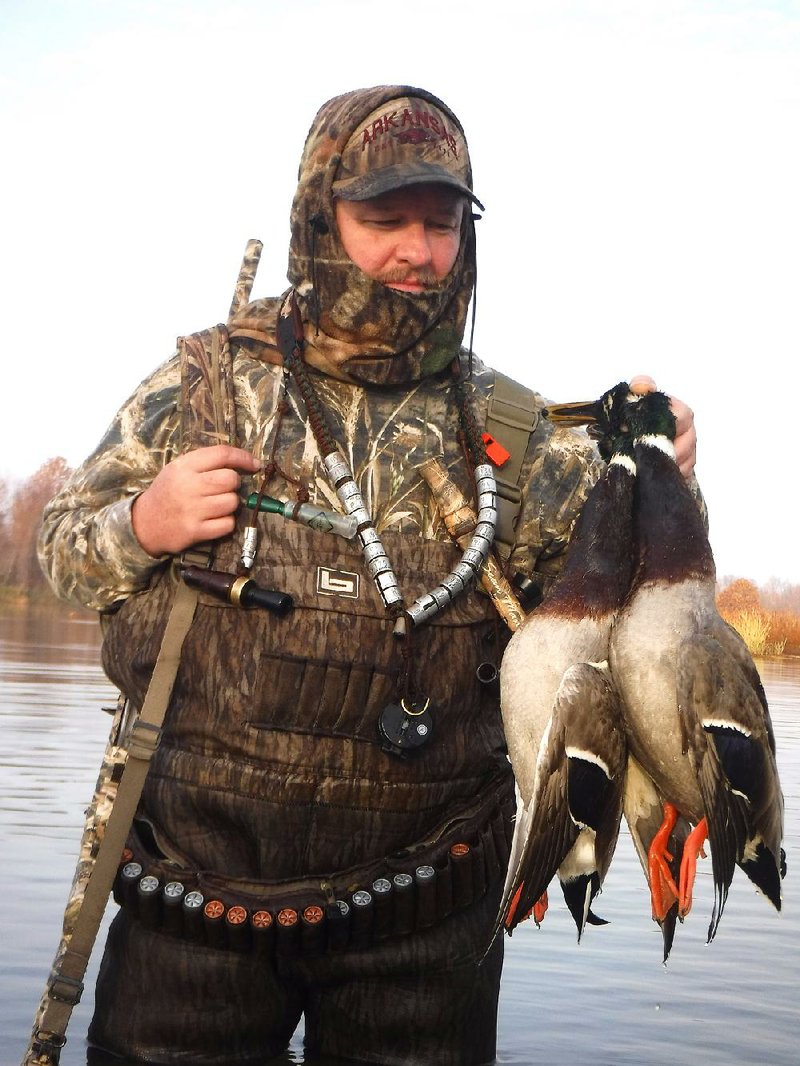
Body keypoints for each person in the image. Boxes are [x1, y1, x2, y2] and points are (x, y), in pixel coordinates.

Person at [38, 85, 698, 1066]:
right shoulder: (203, 385)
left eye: (440, 224)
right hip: (191, 907)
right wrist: (144, 521)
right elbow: (60, 558)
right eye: (383, 219)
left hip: (426, 925)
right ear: (318, 219)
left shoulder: (511, 428)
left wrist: (664, 486)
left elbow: (615, 632)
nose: (416, 250)